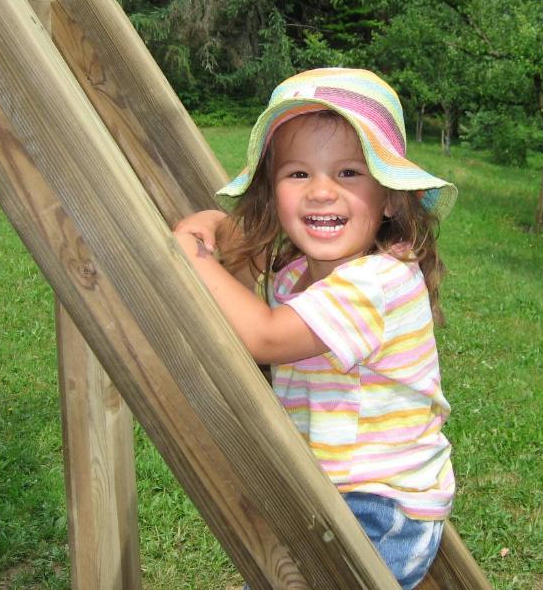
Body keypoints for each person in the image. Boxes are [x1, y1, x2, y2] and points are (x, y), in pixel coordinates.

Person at [173, 67, 457, 588]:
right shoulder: (301, 273)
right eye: (298, 174)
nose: (321, 192)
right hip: (334, 492)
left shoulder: (375, 282)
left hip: (379, 508)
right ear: (274, 192)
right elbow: (245, 299)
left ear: (391, 197)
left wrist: (190, 256)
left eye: (348, 173)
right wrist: (223, 228)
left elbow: (264, 337)